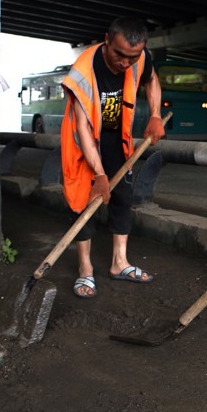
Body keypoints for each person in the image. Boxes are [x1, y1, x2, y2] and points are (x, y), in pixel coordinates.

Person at [60, 17, 165, 298]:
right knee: (82, 203)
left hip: (116, 137)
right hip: (83, 144)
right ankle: (85, 270)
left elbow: (152, 79)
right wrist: (100, 174)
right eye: (119, 54)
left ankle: (119, 263)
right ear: (107, 39)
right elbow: (82, 126)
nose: (124, 63)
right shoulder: (83, 70)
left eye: (131, 57)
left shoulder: (139, 59)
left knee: (122, 197)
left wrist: (155, 115)